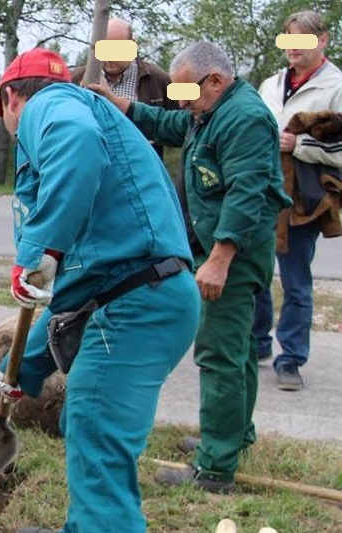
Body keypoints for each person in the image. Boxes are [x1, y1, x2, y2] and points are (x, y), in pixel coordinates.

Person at [0, 48, 200, 533]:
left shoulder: (53, 106)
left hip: (137, 303)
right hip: (137, 296)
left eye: (5, 115)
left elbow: (77, 143)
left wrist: (40, 249)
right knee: (87, 429)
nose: (11, 127)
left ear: (12, 97)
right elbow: (78, 294)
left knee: (97, 434)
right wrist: (27, 366)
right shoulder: (93, 120)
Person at [89, 41, 292, 493]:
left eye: (186, 92)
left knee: (218, 354)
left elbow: (247, 194)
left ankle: (215, 468)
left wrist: (219, 260)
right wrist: (116, 100)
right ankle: (233, 434)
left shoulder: (244, 119)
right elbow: (172, 123)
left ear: (215, 80)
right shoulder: (212, 111)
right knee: (236, 350)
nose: (181, 102)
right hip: (229, 248)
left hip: (234, 255)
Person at [253, 10, 342, 391]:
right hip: (262, 191)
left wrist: (302, 145)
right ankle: (257, 344)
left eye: (302, 41)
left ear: (323, 41)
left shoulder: (337, 87)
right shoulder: (270, 85)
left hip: (305, 196)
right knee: (254, 273)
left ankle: (291, 359)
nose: (292, 48)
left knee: (296, 282)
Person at [70, 18, 178, 158]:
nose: (109, 57)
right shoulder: (75, 79)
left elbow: (185, 126)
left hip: (142, 172)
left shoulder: (160, 79)